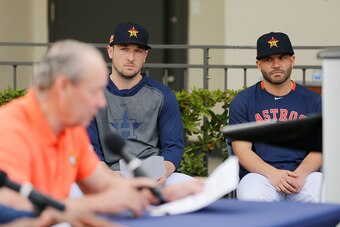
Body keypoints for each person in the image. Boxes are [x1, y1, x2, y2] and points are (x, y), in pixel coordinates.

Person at [0, 40, 203, 225]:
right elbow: (16, 210)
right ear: (63, 87)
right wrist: (96, 205)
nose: (101, 102)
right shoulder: (9, 128)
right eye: (94, 91)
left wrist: (162, 195)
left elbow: (103, 184)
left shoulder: (70, 129)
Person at [87, 21, 192, 186]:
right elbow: (89, 148)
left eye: (138, 51)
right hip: (108, 176)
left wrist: (162, 173)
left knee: (193, 189)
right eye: (124, 49)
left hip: (153, 175)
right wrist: (108, 176)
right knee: (71, 191)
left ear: (145, 56)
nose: (131, 57)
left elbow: (173, 147)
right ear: (110, 51)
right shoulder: (91, 95)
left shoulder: (162, 95)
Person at [228, 32, 323, 202]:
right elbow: (242, 151)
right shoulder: (243, 101)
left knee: (321, 192)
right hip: (260, 176)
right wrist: (272, 174)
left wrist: (300, 175)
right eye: (268, 59)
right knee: (252, 195)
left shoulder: (314, 101)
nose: (276, 64)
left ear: (292, 60)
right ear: (259, 64)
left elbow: (320, 149)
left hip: (304, 174)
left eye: (282, 57)